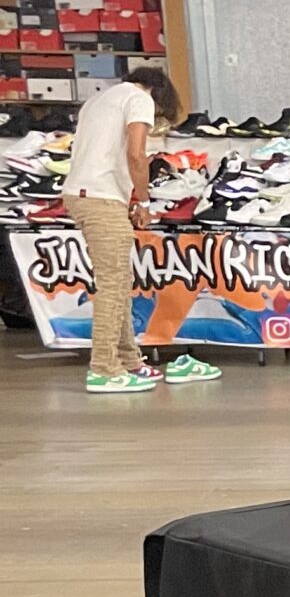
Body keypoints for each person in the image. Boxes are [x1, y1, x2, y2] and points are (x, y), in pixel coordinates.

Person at [62, 65, 221, 395]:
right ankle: (104, 369)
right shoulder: (139, 99)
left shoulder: (98, 101)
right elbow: (137, 155)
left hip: (82, 194)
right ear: (159, 93)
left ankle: (129, 361)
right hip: (101, 197)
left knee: (119, 282)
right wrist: (145, 201)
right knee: (112, 285)